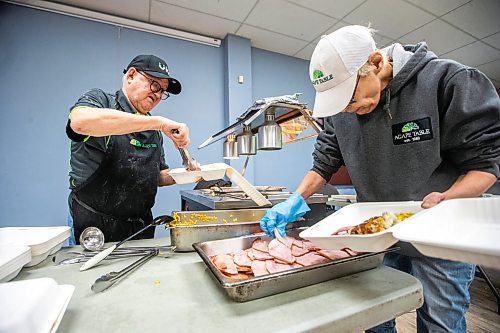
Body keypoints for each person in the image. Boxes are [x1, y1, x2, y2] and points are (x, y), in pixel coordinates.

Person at [260, 25, 500, 332]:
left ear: (374, 63)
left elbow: (484, 165)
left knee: (441, 324)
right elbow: (324, 163)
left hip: (440, 237)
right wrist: (295, 199)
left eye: (350, 98)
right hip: (374, 237)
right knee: (374, 320)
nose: (348, 110)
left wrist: (447, 200)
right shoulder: (343, 109)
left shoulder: (449, 82)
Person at [66, 54, 190, 244]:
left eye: (162, 91)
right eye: (154, 84)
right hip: (95, 226)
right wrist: (159, 122)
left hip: (139, 227)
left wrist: (188, 174)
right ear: (131, 75)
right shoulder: (100, 100)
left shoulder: (154, 129)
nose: (157, 94)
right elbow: (80, 122)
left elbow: (157, 176)